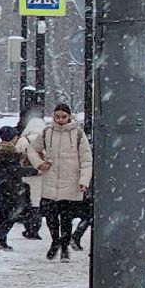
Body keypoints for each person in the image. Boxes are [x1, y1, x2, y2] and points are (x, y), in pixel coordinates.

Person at [26, 104, 91, 262]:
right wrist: (39, 163)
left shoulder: (78, 134)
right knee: (51, 217)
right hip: (51, 181)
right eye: (57, 117)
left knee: (66, 218)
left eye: (63, 116)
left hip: (71, 182)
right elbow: (32, 149)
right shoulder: (47, 132)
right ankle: (56, 241)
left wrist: (84, 180)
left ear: (69, 117)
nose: (60, 120)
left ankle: (63, 247)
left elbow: (86, 159)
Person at [0, 126, 31, 251]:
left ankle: (0, 238)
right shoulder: (11, 152)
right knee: (10, 215)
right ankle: (0, 237)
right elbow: (14, 170)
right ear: (13, 137)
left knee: (4, 215)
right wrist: (34, 171)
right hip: (9, 189)